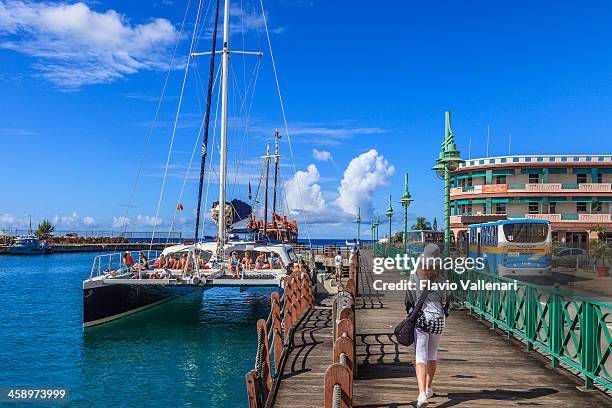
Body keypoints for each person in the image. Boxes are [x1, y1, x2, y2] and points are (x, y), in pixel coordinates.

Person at [405, 244, 451, 408]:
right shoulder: (443, 278)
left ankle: (422, 394)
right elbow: (447, 299)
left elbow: (409, 298)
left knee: (420, 356)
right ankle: (429, 387)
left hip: (421, 319)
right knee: (432, 354)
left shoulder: (414, 275)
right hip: (438, 319)